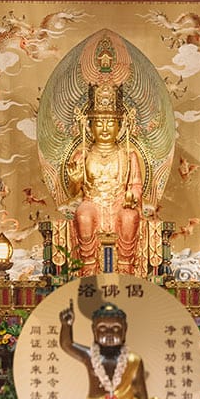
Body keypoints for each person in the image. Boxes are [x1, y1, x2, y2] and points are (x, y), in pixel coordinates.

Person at [65, 83, 146, 272]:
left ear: (120, 126)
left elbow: (136, 185)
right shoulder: (83, 154)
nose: (104, 128)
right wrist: (76, 180)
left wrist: (131, 196)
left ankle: (125, 265)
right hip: (92, 201)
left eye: (110, 123)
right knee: (83, 215)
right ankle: (88, 266)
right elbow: (73, 192)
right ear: (89, 126)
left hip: (120, 203)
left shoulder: (128, 155)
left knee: (129, 217)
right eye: (99, 123)